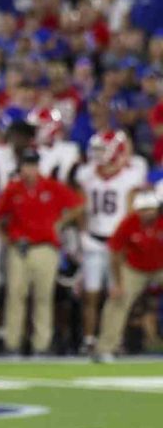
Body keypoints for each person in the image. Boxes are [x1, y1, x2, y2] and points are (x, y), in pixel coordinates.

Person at [0, 148, 85, 355]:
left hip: (45, 248)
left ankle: (41, 344)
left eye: (32, 165)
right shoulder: (13, 189)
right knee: (15, 296)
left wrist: (59, 223)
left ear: (37, 166)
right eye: (26, 165)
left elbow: (78, 205)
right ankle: (12, 343)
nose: (29, 170)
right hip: (19, 248)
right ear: (21, 167)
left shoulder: (51, 187)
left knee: (43, 297)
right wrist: (6, 238)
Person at [75, 130, 149, 352]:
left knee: (117, 295)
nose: (98, 154)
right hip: (94, 239)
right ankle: (89, 339)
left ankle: (115, 340)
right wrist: (82, 234)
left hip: (118, 243)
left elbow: (131, 211)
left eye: (102, 149)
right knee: (91, 294)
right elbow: (81, 207)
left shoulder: (132, 174)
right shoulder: (86, 173)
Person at [94, 190, 163, 361]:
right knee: (117, 301)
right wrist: (117, 283)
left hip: (160, 265)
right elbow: (115, 254)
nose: (148, 213)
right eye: (144, 209)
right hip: (134, 268)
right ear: (138, 210)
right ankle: (106, 348)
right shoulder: (128, 223)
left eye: (151, 209)